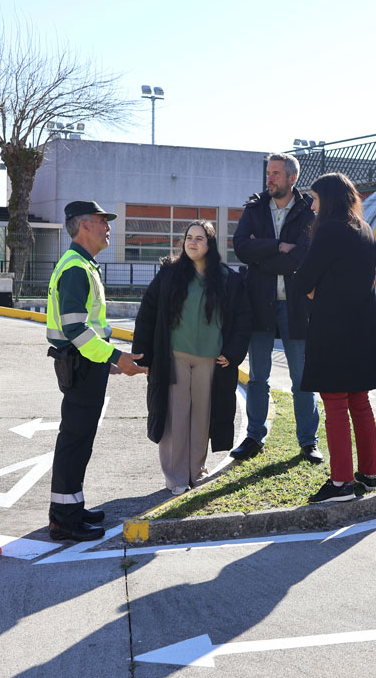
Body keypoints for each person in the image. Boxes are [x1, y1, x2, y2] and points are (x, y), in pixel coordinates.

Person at [46, 200, 147, 542]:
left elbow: (89, 327)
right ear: (84, 225)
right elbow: (76, 329)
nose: (109, 228)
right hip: (80, 365)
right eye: (103, 222)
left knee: (78, 442)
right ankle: (63, 519)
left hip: (87, 364)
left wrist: (107, 359)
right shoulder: (76, 267)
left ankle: (71, 509)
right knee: (75, 442)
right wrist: (116, 358)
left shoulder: (82, 264)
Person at [132, 221, 252, 494]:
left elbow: (244, 319)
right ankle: (175, 477)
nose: (192, 242)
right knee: (175, 417)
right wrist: (145, 356)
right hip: (174, 357)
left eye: (199, 238)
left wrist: (232, 353)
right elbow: (148, 312)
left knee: (202, 417)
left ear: (209, 245)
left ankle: (196, 472)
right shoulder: (169, 274)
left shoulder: (227, 279)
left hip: (211, 360)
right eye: (188, 238)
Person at [292, 173, 376, 503]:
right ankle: (369, 474)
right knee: (359, 402)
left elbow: (304, 279)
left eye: (315, 199)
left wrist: (316, 289)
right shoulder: (364, 228)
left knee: (335, 404)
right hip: (362, 327)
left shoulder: (329, 230)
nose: (312, 206)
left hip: (333, 329)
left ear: (328, 199)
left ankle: (342, 482)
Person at [230, 152, 322, 464]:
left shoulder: (309, 209)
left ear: (292, 178)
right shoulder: (254, 208)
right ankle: (254, 437)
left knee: (303, 379)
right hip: (259, 305)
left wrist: (265, 255)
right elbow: (241, 247)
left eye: (276, 174)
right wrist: (278, 247)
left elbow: (308, 253)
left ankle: (308, 442)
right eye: (268, 173)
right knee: (257, 377)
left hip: (297, 305)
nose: (270, 179)